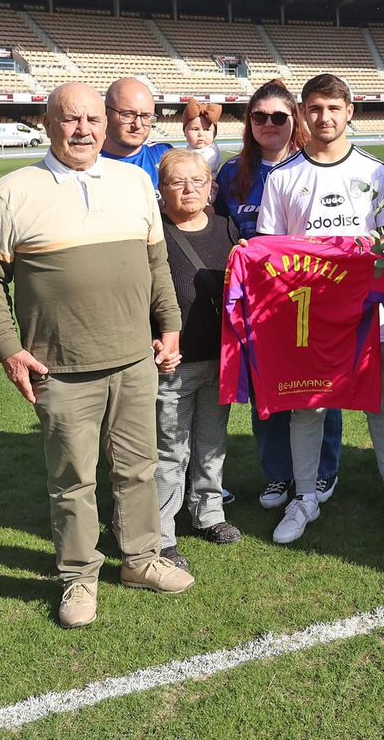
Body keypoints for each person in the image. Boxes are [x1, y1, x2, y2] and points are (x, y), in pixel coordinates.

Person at [0, 82, 193, 629]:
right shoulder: (12, 191)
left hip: (134, 361)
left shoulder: (134, 182)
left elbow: (156, 264)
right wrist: (9, 350)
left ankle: (140, 559)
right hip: (61, 368)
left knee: (139, 469)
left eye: (93, 119)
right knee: (73, 480)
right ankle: (78, 576)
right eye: (71, 119)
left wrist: (170, 325)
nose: (83, 130)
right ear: (47, 124)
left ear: (105, 124)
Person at [257, 73, 384, 541]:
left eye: (333, 108)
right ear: (302, 114)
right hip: (307, 314)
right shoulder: (283, 177)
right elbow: (272, 252)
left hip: (368, 312)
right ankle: (305, 498)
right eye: (314, 108)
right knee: (307, 407)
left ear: (349, 112)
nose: (324, 117)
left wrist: (358, 256)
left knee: (380, 401)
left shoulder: (375, 172)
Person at [214, 81, 343, 511]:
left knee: (318, 384)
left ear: (295, 119)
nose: (268, 123)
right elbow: (217, 229)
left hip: (313, 293)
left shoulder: (312, 166)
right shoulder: (233, 172)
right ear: (248, 122)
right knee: (266, 386)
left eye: (278, 116)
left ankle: (324, 468)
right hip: (259, 299)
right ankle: (278, 474)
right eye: (259, 116)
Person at [153, 149, 242, 572]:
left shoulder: (227, 227)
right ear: (161, 188)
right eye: (177, 181)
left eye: (198, 181)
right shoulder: (153, 231)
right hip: (173, 362)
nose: (189, 189)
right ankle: (161, 533)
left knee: (211, 443)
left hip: (220, 359)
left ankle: (209, 513)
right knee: (170, 451)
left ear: (211, 186)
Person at [101, 77, 173, 186]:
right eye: (128, 114)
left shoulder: (165, 156)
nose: (138, 125)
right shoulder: (85, 164)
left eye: (146, 116)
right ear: (105, 113)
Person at [182, 99, 223, 171]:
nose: (201, 134)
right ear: (185, 132)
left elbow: (200, 169)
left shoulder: (212, 151)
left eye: (206, 130)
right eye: (195, 129)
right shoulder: (188, 149)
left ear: (214, 134)